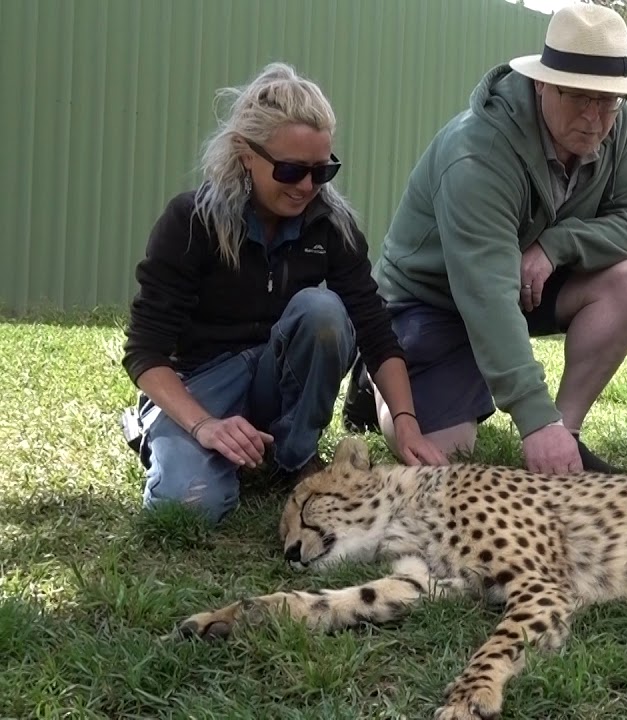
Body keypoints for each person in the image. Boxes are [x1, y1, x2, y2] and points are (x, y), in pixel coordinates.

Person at [121, 62, 447, 525]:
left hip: (274, 375)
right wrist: (204, 424)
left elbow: (375, 331)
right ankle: (175, 436)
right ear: (245, 153)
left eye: (322, 171)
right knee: (188, 506)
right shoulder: (191, 221)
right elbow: (145, 353)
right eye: (291, 170)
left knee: (324, 313)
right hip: (201, 383)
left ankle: (292, 457)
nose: (307, 187)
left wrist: (407, 424)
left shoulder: (332, 226)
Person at [342, 4, 627, 475]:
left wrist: (555, 246)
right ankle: (379, 377)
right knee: (448, 455)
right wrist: (531, 416)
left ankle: (564, 436)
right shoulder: (477, 152)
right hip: (432, 301)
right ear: (542, 83)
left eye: (609, 100)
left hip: (521, 286)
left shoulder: (617, 126)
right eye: (579, 97)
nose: (596, 118)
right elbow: (486, 293)